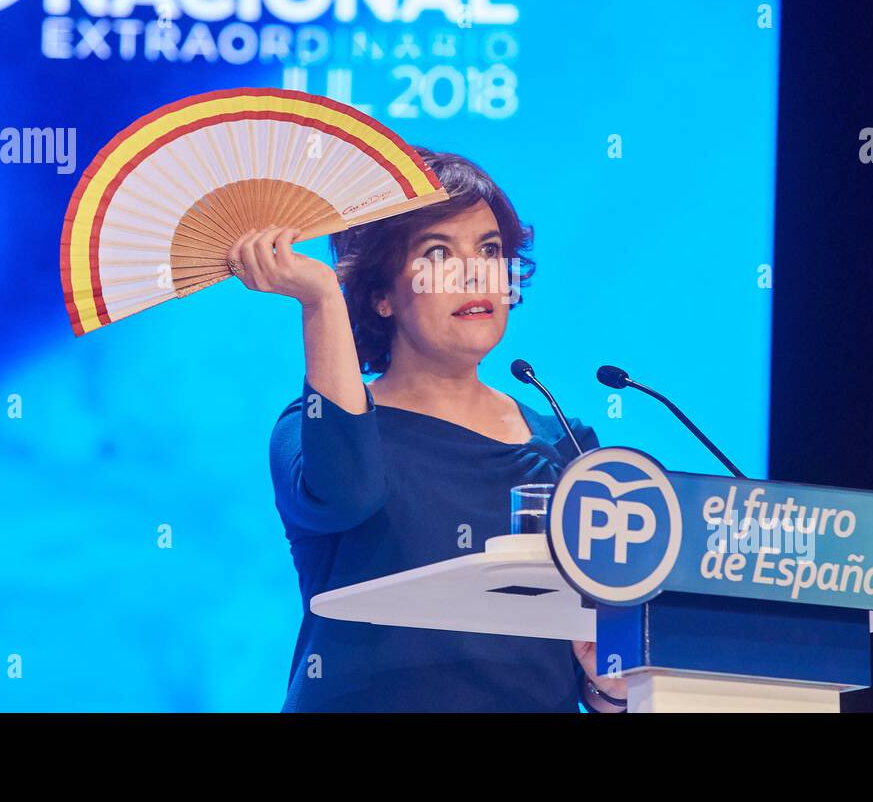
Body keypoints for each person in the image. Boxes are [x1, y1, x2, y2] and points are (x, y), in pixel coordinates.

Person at [228, 148, 628, 712]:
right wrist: (319, 298)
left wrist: (609, 688)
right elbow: (348, 493)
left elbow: (598, 665)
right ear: (381, 295)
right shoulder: (308, 434)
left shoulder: (566, 443)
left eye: (490, 250)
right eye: (437, 252)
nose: (475, 272)